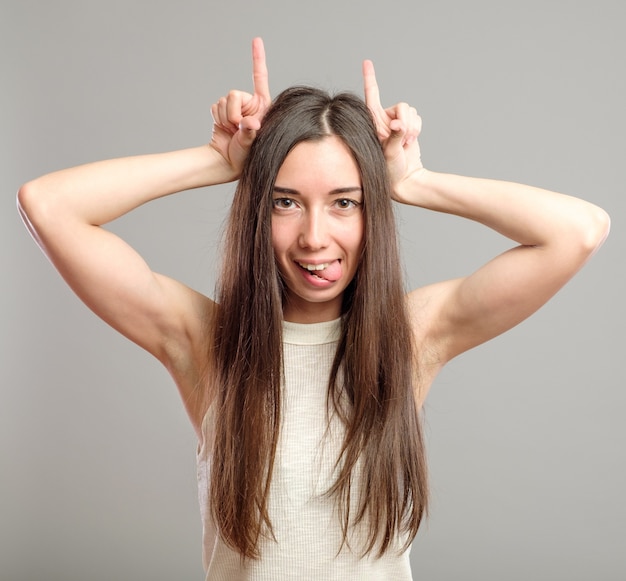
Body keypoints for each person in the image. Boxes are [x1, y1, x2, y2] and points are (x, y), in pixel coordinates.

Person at [17, 38, 609, 580]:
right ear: (256, 211)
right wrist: (218, 161)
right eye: (285, 202)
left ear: (372, 211)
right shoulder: (206, 340)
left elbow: (579, 231)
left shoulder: (411, 335)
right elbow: (48, 205)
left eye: (345, 202)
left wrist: (416, 180)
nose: (314, 237)